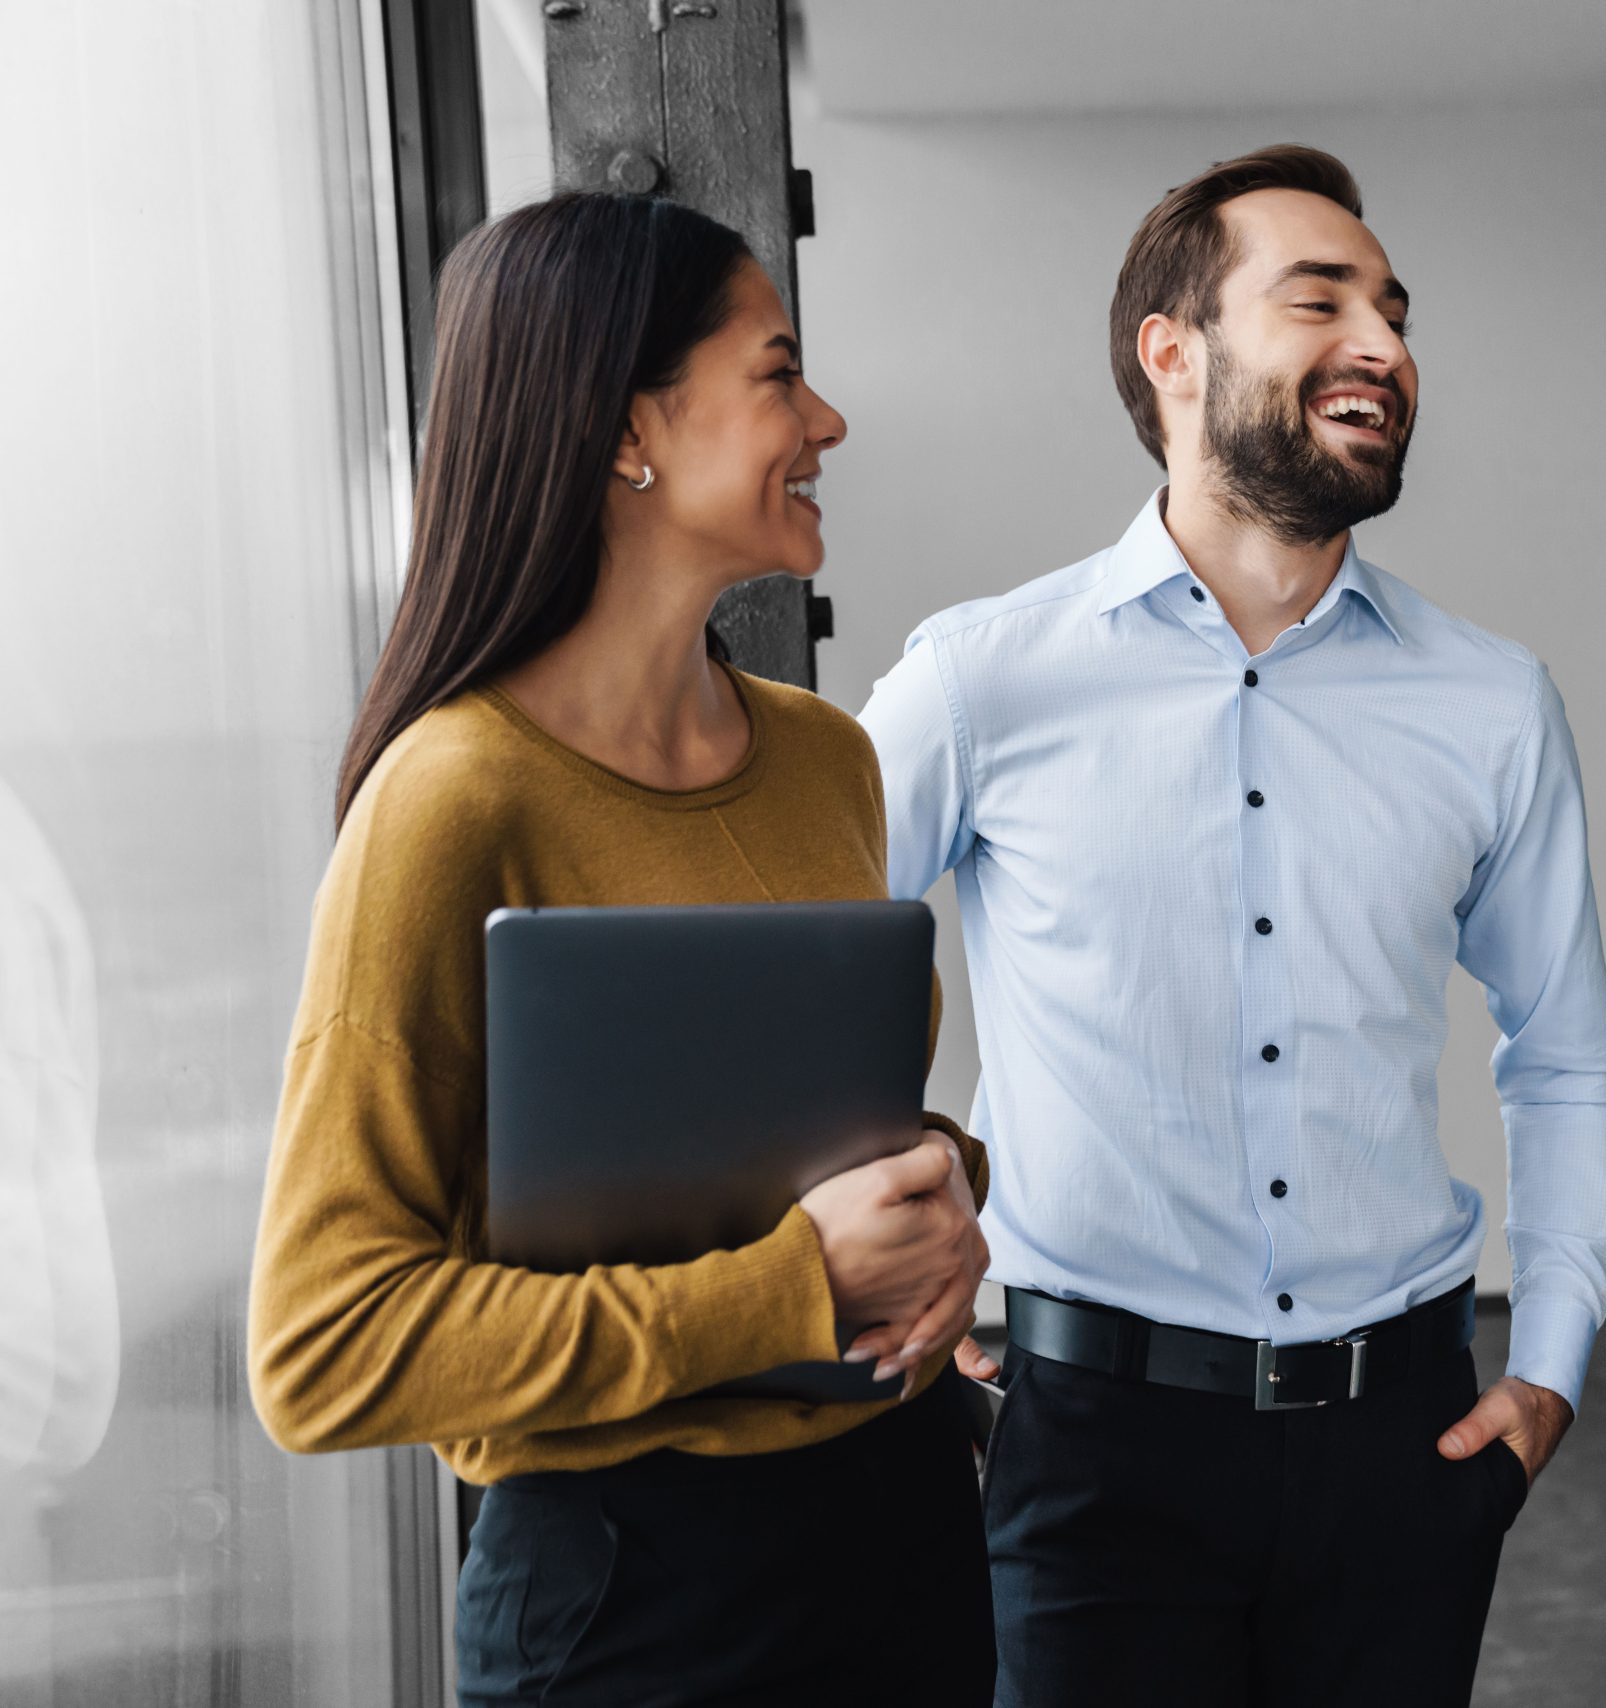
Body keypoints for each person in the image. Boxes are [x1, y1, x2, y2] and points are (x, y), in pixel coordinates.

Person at [859, 144, 1606, 1706]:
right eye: (1321, 300)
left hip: (1401, 1444)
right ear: (1175, 351)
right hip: (1088, 1448)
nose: (1387, 345)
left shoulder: (1491, 702)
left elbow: (1566, 1056)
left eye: (1396, 311)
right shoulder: (981, 677)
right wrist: (903, 1256)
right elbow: (793, 997)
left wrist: (1549, 1366)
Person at [245, 193, 996, 1707]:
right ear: (624, 431)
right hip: (628, 1599)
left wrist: (938, 1195)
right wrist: (790, 1289)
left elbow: (790, 1136)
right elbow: (325, 1343)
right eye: (780, 371)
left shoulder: (825, 761)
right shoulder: (450, 800)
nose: (827, 417)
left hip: (904, 1528)